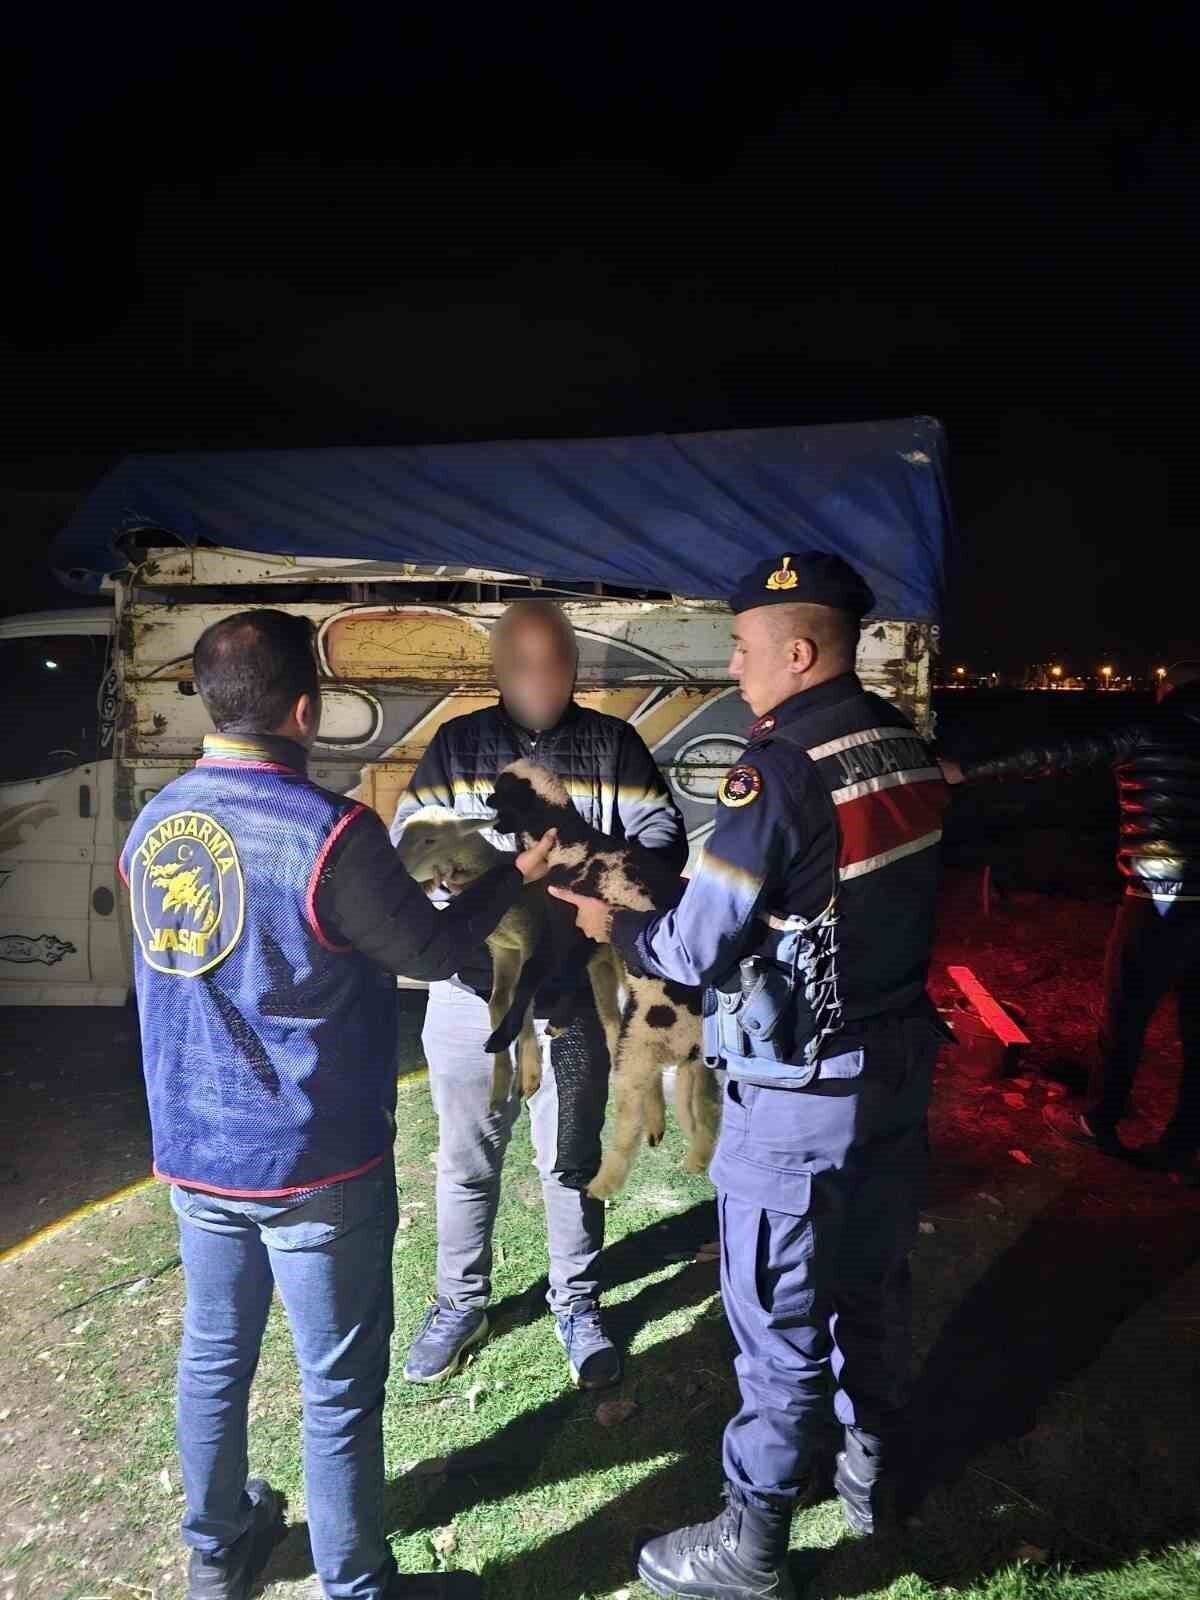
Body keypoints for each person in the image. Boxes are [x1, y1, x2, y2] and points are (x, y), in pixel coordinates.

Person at [119, 609, 557, 1600]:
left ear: (211, 702)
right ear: (306, 710)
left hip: (196, 1151)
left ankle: (217, 1552)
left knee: (214, 1356)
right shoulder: (329, 833)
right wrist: (512, 879)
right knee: (337, 1385)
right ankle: (356, 1586)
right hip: (312, 1161)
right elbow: (433, 953)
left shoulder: (153, 822)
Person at [552, 553, 949, 1599]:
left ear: (799, 652)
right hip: (897, 1068)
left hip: (803, 1094)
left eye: (741, 648)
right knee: (873, 1288)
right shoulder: (900, 741)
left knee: (777, 1324)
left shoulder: (777, 768)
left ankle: (753, 1545)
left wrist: (616, 925)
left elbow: (695, 945)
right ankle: (871, 1477)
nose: (733, 667)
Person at [390, 597, 688, 1390]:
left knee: (571, 1160)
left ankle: (577, 1303)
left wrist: (596, 876)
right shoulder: (456, 746)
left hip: (575, 996)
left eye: (555, 661)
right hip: (472, 992)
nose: (539, 677)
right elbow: (408, 843)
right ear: (496, 668)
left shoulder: (614, 746)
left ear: (575, 666)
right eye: (521, 662)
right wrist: (476, 875)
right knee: (466, 1159)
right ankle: (460, 1303)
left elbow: (663, 843)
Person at [940, 662, 1200, 1174]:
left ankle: (1099, 1120)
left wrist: (965, 769)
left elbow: (1059, 754)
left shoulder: (1150, 727)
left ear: (1168, 690)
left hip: (1156, 901)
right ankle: (1183, 1143)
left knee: (1124, 1018)